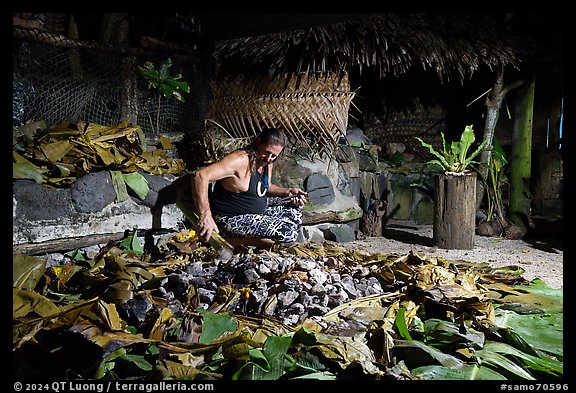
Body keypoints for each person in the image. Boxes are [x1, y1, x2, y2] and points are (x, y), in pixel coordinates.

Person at [191, 128, 307, 249]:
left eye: (273, 155)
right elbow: (200, 175)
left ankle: (264, 240)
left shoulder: (267, 163)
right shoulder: (240, 160)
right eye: (266, 152)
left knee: (294, 210)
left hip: (257, 211)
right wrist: (205, 215)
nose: (269, 158)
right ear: (258, 142)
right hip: (230, 218)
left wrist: (287, 192)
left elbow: (264, 188)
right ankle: (231, 240)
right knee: (287, 231)